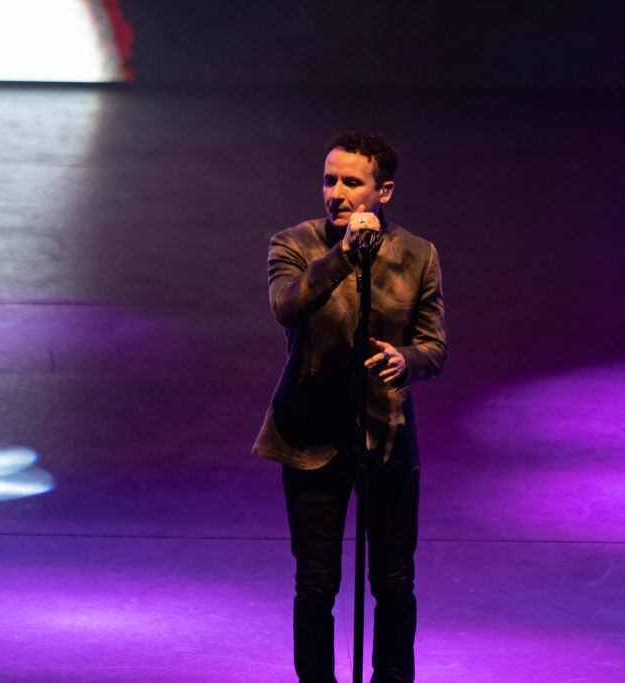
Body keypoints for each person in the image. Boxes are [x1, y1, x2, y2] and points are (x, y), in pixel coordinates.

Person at [252, 131, 447, 683]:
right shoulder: (294, 244)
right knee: (316, 585)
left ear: (383, 191)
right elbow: (287, 306)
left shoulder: (418, 255)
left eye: (351, 182)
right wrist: (342, 254)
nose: (335, 192)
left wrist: (407, 360)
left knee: (394, 583)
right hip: (310, 437)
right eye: (329, 180)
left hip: (387, 437)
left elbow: (435, 347)